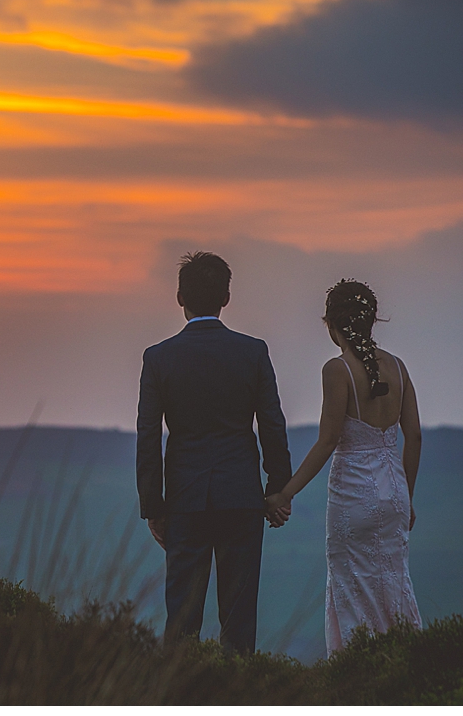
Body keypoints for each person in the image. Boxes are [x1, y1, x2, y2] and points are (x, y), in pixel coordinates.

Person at [137, 251, 293, 655]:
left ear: (179, 297)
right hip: (241, 495)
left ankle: (181, 692)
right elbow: (273, 425)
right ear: (226, 297)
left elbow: (148, 436)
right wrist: (279, 487)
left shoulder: (158, 358)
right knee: (239, 620)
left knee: (182, 619)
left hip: (185, 501)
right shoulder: (253, 351)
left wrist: (154, 506)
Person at [265, 279, 422, 656]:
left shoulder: (338, 369)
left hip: (353, 496)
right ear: (371, 322)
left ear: (333, 326)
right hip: (395, 494)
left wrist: (285, 493)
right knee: (394, 582)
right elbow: (413, 436)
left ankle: (358, 670)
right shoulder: (398, 368)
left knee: (353, 587)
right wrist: (407, 498)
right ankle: (407, 662)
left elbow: (328, 440)